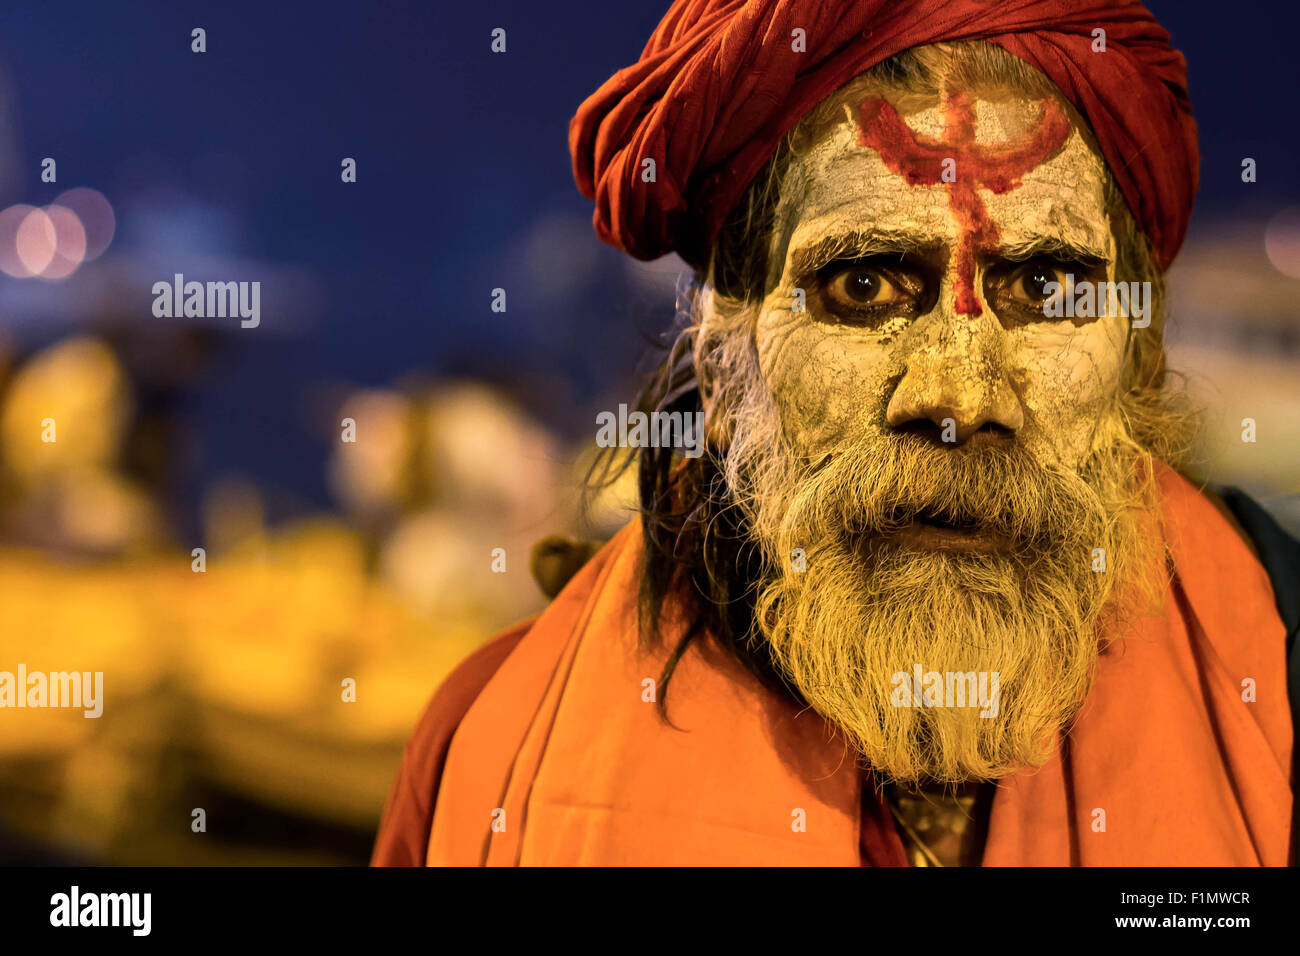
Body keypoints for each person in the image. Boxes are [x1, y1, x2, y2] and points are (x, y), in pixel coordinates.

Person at [373, 0, 1296, 866]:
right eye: (864, 285)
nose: (958, 398)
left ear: (1136, 359)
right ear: (727, 356)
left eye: (1046, 290)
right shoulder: (483, 746)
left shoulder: (1279, 668)